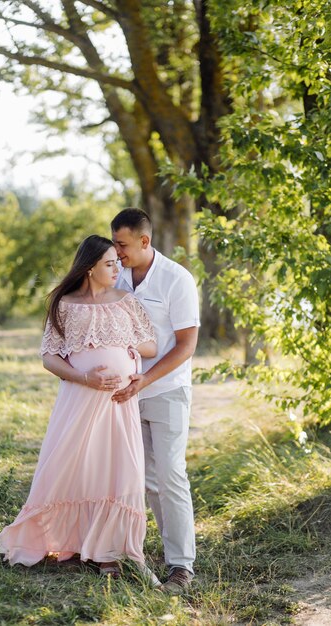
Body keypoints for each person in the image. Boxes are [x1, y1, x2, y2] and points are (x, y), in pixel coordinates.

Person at [0, 235, 160, 584]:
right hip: (79, 399)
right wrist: (84, 376)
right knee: (76, 467)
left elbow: (151, 347)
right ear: (89, 268)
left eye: (117, 261)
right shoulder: (65, 305)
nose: (118, 268)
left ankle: (112, 552)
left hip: (118, 402)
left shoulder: (127, 302)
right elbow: (49, 357)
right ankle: (74, 542)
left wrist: (124, 343)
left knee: (118, 469)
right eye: (109, 264)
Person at [111, 209, 200, 594]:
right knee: (146, 481)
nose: (117, 251)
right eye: (115, 243)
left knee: (171, 475)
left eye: (123, 244)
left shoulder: (176, 279)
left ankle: (182, 567)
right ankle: (158, 553)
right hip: (127, 395)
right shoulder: (115, 274)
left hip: (166, 390)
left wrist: (146, 378)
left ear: (145, 242)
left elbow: (187, 345)